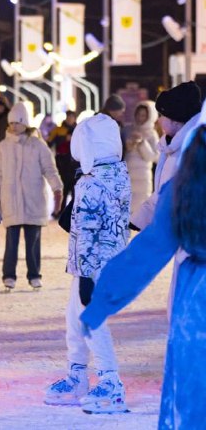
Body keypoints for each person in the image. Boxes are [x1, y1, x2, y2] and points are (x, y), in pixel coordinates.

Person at [80, 100, 206, 428]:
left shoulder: (192, 167)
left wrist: (102, 301)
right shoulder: (189, 169)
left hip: (197, 298)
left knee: (193, 399)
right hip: (196, 293)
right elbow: (151, 246)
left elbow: (150, 249)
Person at [44, 114, 130, 414]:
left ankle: (110, 381)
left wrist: (85, 277)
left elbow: (89, 232)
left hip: (92, 267)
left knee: (91, 320)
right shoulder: (116, 174)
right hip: (104, 262)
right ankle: (77, 374)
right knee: (75, 319)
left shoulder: (91, 183)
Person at [130, 81, 202, 317]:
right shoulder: (172, 147)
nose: (159, 120)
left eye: (162, 115)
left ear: (177, 120)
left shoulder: (189, 149)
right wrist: (139, 219)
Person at [0, 102, 63, 291]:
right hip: (12, 200)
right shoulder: (2, 147)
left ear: (25, 123)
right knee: (11, 241)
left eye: (17, 122)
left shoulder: (38, 145)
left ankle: (34, 275)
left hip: (33, 199)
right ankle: (9, 275)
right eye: (11, 123)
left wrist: (57, 188)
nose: (14, 126)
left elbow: (49, 169)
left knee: (33, 242)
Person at [123, 101, 159, 214]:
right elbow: (121, 151)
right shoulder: (127, 130)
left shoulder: (152, 134)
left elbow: (154, 157)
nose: (140, 118)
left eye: (143, 115)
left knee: (141, 211)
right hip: (127, 175)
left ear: (149, 117)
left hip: (143, 178)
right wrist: (129, 145)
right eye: (138, 114)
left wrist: (142, 143)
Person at [47, 111, 78, 211]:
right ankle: (60, 210)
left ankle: (73, 211)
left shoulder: (79, 130)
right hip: (62, 163)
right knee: (63, 188)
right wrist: (65, 139)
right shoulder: (58, 130)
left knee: (75, 190)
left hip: (76, 164)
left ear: (74, 118)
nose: (70, 119)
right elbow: (49, 143)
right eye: (69, 117)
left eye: (72, 117)